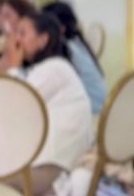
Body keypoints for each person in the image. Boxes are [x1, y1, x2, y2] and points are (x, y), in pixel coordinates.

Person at [5, 11, 93, 195]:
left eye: (22, 33)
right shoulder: (52, 67)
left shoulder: (54, 69)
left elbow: (15, 105)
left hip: (52, 168)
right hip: (56, 162)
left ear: (43, 39)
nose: (17, 40)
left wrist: (13, 66)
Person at [42, 0, 107, 114]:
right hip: (99, 106)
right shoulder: (76, 42)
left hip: (92, 111)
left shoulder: (67, 50)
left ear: (61, 28)